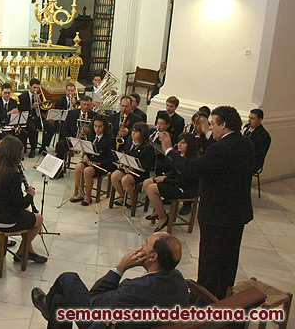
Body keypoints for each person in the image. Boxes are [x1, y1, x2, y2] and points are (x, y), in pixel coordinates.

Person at [160, 105, 254, 299]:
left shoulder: (221, 149)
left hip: (217, 214)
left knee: (210, 261)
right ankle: (223, 295)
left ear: (224, 124)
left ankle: (205, 301)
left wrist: (170, 150)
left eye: (212, 124)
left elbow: (191, 168)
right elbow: (220, 159)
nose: (210, 128)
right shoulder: (245, 144)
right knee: (229, 259)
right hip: (238, 213)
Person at [31, 232, 189, 329]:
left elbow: (93, 300)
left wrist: (120, 267)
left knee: (68, 278)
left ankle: (47, 305)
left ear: (153, 257)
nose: (141, 245)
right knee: (61, 302)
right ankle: (50, 304)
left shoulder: (135, 290)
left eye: (146, 243)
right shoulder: (180, 282)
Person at [0, 135, 47, 264]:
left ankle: (29, 251)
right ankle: (22, 252)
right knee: (38, 219)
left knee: (28, 213)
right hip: (4, 220)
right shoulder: (13, 174)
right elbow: (19, 204)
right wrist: (30, 195)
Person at [144, 133, 199, 232]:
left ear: (189, 145)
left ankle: (163, 217)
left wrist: (165, 180)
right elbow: (175, 171)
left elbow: (184, 180)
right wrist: (166, 176)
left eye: (183, 143)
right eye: (179, 142)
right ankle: (158, 210)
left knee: (152, 188)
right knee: (147, 182)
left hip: (185, 189)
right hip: (176, 183)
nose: (179, 145)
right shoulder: (180, 155)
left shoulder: (193, 160)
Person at [71, 115, 114, 205]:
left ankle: (88, 197)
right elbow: (87, 149)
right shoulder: (91, 135)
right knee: (78, 167)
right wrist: (85, 156)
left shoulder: (110, 139)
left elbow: (110, 158)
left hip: (101, 165)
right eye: (95, 126)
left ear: (104, 127)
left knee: (87, 171)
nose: (97, 129)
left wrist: (98, 163)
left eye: (100, 126)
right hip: (90, 161)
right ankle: (81, 193)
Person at [110, 122, 155, 208]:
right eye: (133, 131)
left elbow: (147, 165)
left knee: (125, 180)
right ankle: (122, 195)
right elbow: (125, 154)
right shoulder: (129, 141)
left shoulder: (148, 148)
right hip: (127, 168)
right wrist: (122, 163)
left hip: (139, 172)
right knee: (114, 176)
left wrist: (133, 169)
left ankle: (132, 198)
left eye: (136, 132)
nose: (133, 133)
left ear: (142, 134)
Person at [19, 78, 56, 157]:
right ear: (30, 86)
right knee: (32, 128)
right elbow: (22, 111)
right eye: (34, 87)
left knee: (52, 127)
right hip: (28, 119)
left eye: (37, 88)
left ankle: (43, 147)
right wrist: (32, 107)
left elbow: (44, 112)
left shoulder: (40, 96)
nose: (36, 89)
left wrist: (41, 103)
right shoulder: (23, 97)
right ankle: (32, 149)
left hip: (38, 118)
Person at [55, 95, 96, 162]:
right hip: (73, 139)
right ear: (80, 104)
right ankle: (58, 167)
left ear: (91, 105)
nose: (86, 107)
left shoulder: (95, 116)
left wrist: (89, 131)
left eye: (88, 105)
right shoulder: (72, 113)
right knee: (61, 145)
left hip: (88, 142)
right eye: (84, 104)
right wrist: (70, 138)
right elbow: (64, 129)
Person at [243, 109, 272, 173]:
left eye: (252, 118)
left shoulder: (263, 136)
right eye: (249, 117)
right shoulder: (248, 129)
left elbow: (257, 155)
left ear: (260, 120)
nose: (249, 120)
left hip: (253, 163)